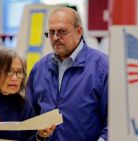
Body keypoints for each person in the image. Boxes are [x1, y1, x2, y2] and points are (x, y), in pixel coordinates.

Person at [26, 7, 108, 141]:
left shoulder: (102, 67)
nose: (55, 38)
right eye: (51, 32)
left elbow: (114, 121)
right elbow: (28, 119)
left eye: (62, 31)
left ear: (79, 31)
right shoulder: (39, 69)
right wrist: (38, 136)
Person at [0, 49, 55, 141]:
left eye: (19, 72)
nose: (15, 78)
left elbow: (30, 137)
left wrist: (39, 135)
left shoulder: (25, 106)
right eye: (8, 71)